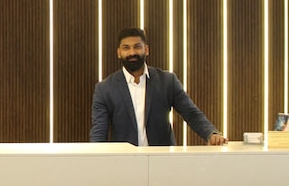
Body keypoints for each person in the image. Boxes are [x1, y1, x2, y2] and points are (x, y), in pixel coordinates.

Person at [90, 27, 228, 146]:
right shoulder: (105, 89)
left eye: (137, 47)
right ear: (119, 53)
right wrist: (95, 158)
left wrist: (211, 133)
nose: (132, 53)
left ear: (146, 50)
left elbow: (191, 113)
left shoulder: (167, 81)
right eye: (126, 48)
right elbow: (99, 131)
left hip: (162, 159)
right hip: (125, 161)